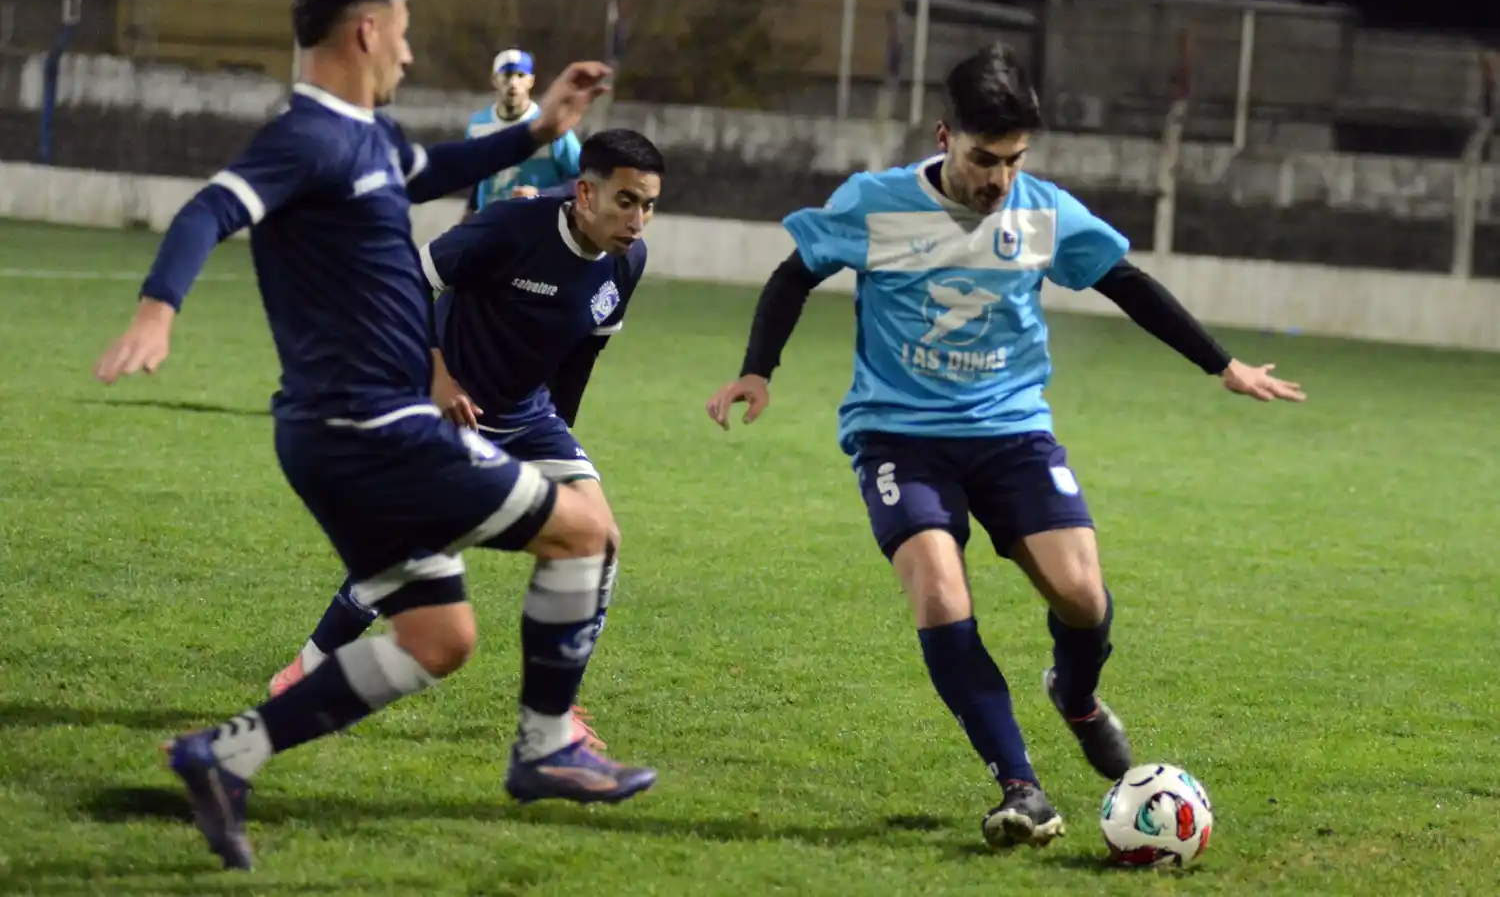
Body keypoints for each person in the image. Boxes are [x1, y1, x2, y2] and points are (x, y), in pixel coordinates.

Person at [93, 0, 653, 872]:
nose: (408, 50)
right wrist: (158, 309)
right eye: (402, 31)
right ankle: (548, 744)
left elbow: (439, 166)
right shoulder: (306, 138)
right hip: (371, 425)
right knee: (587, 531)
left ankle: (226, 755)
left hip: (335, 433)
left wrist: (541, 128)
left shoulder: (370, 141)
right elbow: (208, 210)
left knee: (439, 636)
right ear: (365, 30)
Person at [704, 41, 1304, 850]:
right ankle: (1020, 785)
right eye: (984, 159)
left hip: (1012, 434)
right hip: (900, 437)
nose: (999, 178)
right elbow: (794, 273)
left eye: (1014, 160)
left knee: (1082, 597)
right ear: (944, 136)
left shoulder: (1042, 212)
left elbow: (1126, 282)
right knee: (939, 594)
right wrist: (757, 370)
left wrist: (1222, 364)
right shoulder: (876, 204)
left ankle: (1076, 697)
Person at [268, 128, 663, 756]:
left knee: (601, 539)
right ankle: (309, 669)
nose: (637, 221)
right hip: (449, 412)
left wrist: (562, 433)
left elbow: (582, 354)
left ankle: (559, 708)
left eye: (648, 205)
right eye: (626, 201)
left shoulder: (627, 262)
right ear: (586, 194)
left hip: (529, 418)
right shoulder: (511, 227)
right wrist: (437, 376)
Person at [465, 48, 582, 213]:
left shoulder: (550, 126)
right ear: (494, 80)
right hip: (491, 224)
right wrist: (469, 215)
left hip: (537, 223)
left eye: (520, 75)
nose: (513, 83)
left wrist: (541, 194)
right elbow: (478, 179)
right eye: (507, 75)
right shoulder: (478, 125)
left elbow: (583, 180)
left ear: (531, 81)